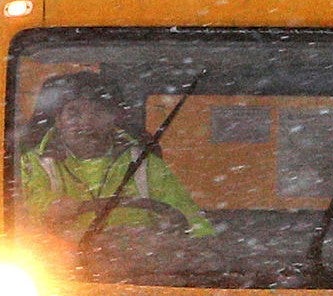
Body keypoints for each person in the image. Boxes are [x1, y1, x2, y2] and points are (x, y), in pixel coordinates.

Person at [13, 72, 215, 236]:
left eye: (98, 112)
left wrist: (163, 241)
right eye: (74, 113)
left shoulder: (144, 163)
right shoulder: (30, 165)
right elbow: (16, 222)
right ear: (58, 119)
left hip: (140, 272)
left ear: (115, 118)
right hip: (53, 276)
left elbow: (195, 226)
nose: (86, 123)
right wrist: (53, 211)